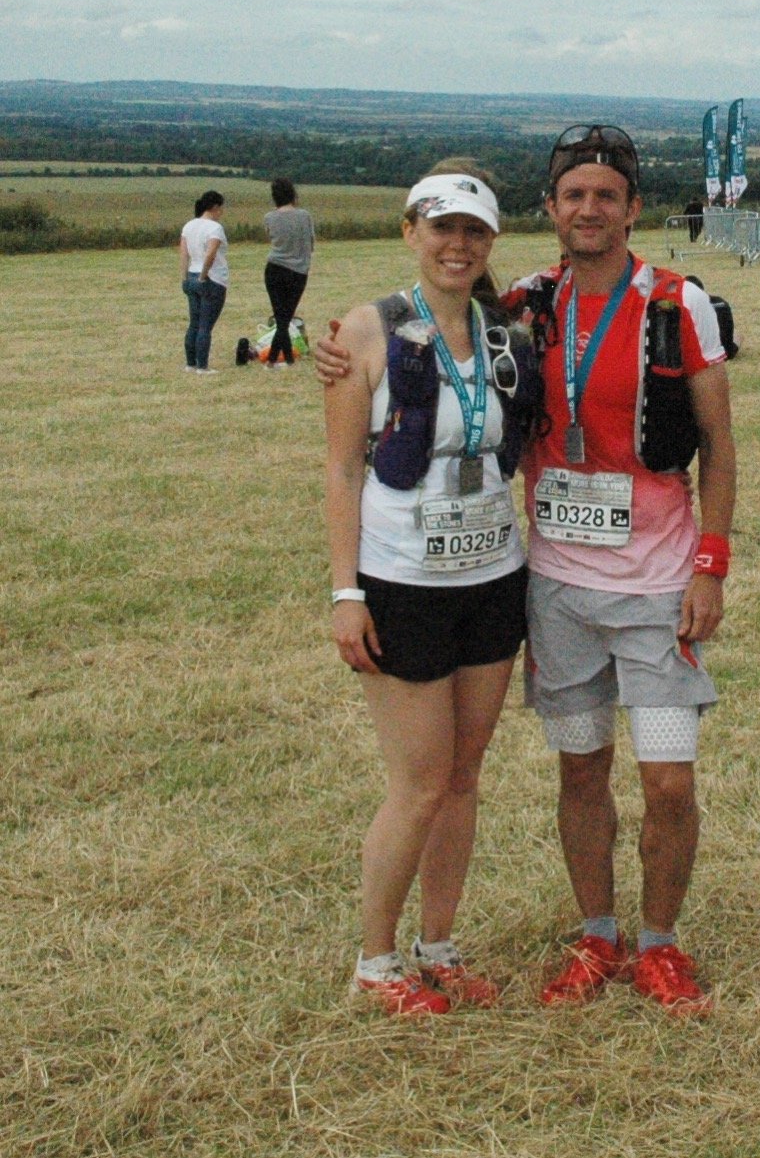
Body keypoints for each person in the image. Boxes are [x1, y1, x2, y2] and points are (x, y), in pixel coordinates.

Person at [522, 125, 735, 1015]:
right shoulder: (528, 304)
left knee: (667, 779)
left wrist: (710, 566)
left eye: (606, 195)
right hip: (558, 588)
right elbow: (431, 334)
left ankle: (660, 944)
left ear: (632, 208)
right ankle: (597, 933)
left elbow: (720, 448)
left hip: (655, 585)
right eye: (574, 195)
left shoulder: (677, 305)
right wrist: (346, 347)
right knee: (580, 772)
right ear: (551, 208)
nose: (589, 209)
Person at [322, 163, 539, 1016]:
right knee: (417, 781)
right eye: (441, 228)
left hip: (492, 575)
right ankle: (376, 963)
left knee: (463, 776)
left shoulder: (508, 330)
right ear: (410, 232)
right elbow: (342, 469)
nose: (457, 245)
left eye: (473, 232)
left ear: (490, 243)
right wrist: (346, 593)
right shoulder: (365, 333)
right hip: (402, 581)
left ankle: (437, 944)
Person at [263, 178, 315, 369]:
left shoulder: (269, 217)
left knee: (281, 317)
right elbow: (311, 243)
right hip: (299, 271)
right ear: (293, 194)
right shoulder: (305, 216)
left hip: (274, 268)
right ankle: (275, 360)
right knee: (286, 316)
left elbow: (270, 238)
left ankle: (284, 359)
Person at [178, 189, 229, 374]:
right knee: (205, 326)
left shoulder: (189, 226)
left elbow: (184, 253)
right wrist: (203, 276)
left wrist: (184, 277)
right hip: (211, 279)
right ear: (214, 207)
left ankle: (190, 363)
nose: (221, 213)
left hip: (191, 274)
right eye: (220, 209)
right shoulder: (215, 228)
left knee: (194, 323)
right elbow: (211, 254)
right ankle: (202, 366)